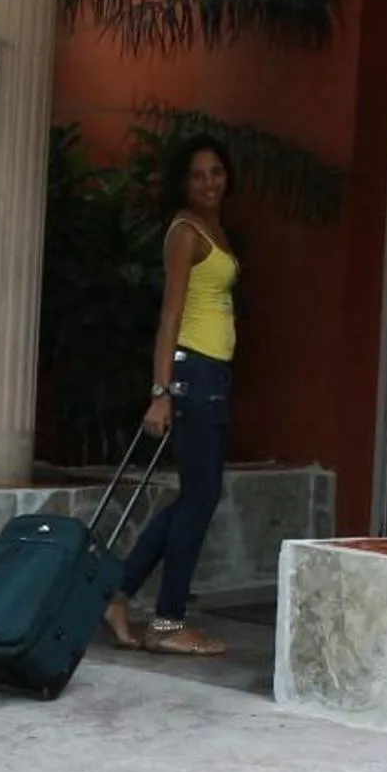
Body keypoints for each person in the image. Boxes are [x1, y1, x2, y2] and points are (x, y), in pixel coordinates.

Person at [104, 136, 239, 657]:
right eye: (198, 175)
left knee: (194, 497)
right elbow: (170, 316)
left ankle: (118, 593)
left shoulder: (213, 228)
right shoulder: (186, 232)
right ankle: (167, 622)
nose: (210, 182)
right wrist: (161, 393)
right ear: (184, 183)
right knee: (200, 498)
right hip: (193, 376)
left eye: (217, 171)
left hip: (209, 377)